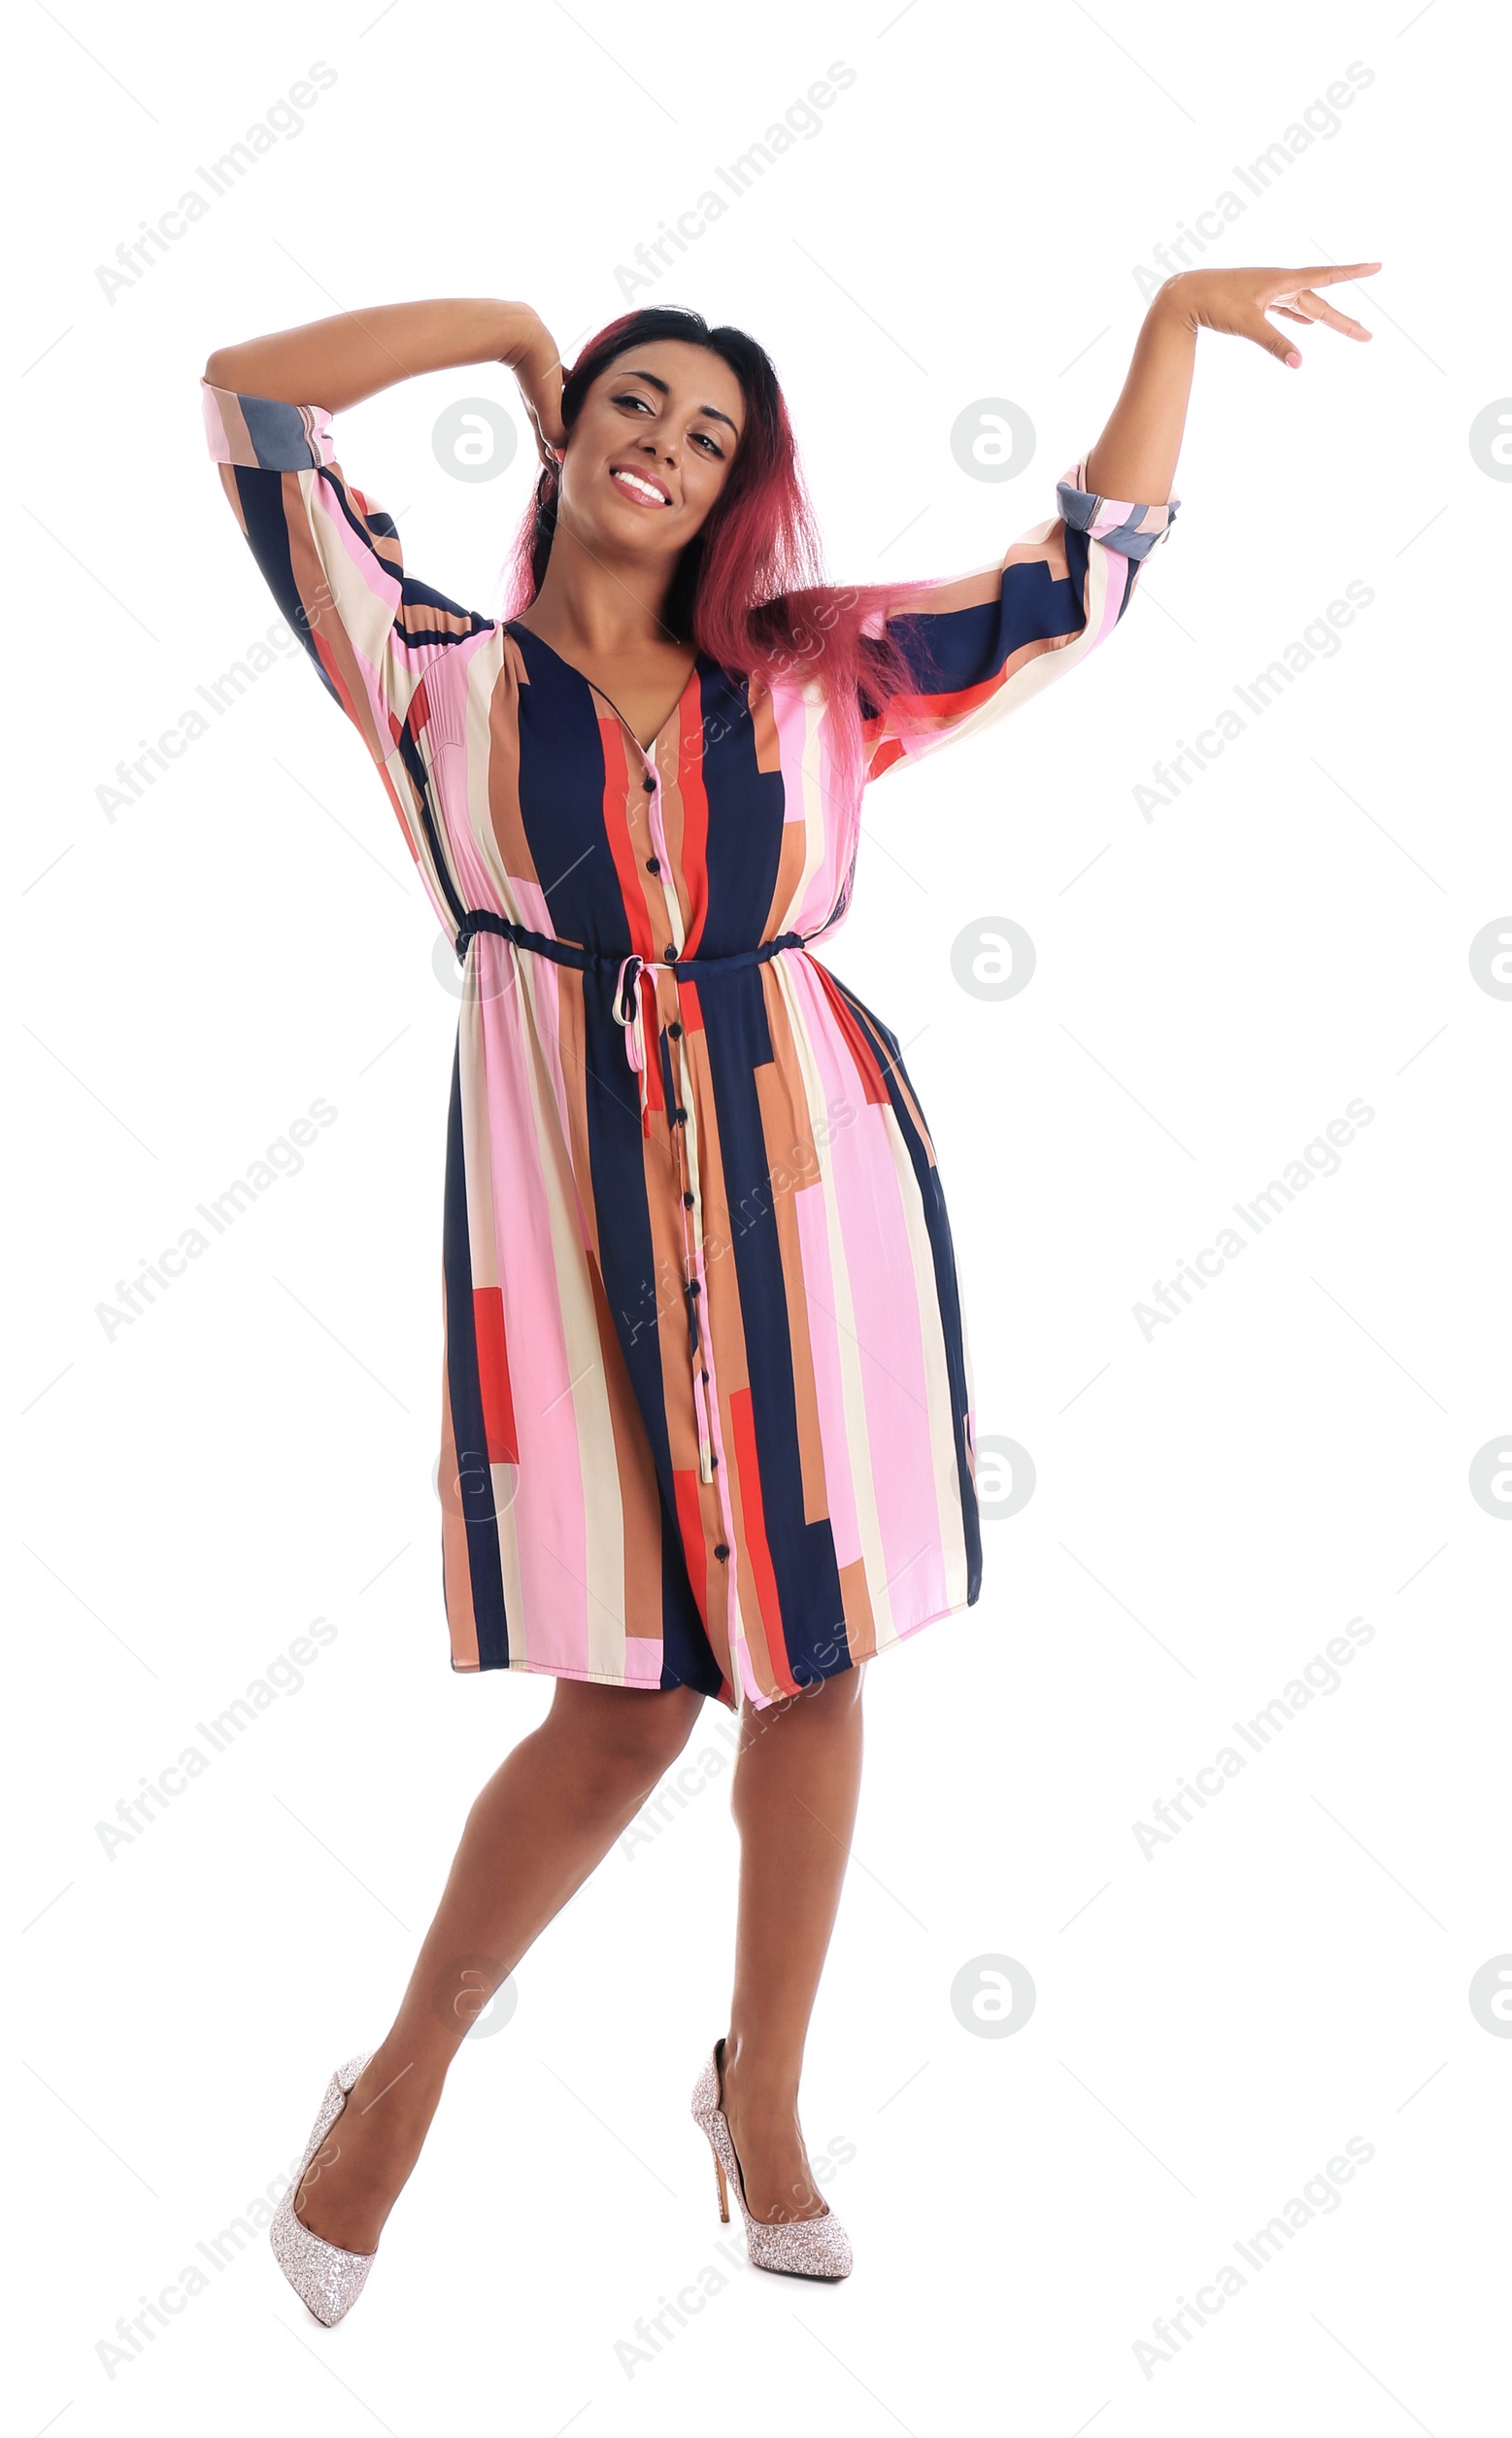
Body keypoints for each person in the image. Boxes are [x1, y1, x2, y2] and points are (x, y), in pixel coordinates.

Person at [200, 261, 1379, 2325]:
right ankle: (389, 2089)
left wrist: (1169, 326)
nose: (662, 446)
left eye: (709, 434)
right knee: (626, 1696)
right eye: (632, 407)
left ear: (740, 488)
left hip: (808, 1189)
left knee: (813, 1657)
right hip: (561, 1212)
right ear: (565, 436)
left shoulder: (810, 674)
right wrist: (493, 322)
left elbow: (1070, 583)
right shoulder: (426, 672)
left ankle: (762, 2099)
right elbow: (250, 404)